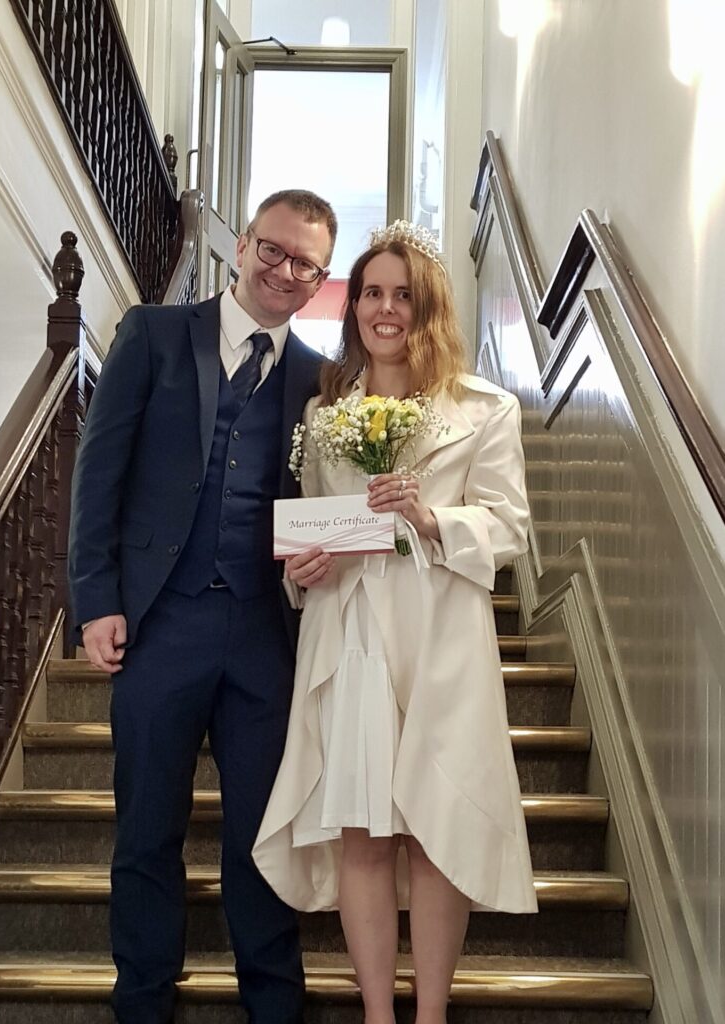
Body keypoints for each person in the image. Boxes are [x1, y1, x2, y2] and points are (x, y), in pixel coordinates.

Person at [253, 221, 537, 1024]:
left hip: (440, 634)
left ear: (428, 308)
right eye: (372, 293)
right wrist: (303, 570)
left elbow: (508, 528)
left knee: (436, 825)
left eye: (401, 296)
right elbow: (313, 528)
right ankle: (379, 1012)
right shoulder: (325, 409)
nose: (384, 310)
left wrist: (430, 516)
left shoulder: (484, 409)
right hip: (350, 639)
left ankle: (431, 1012)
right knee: (363, 834)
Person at [68, 189, 337, 1024]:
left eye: (307, 264)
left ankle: (274, 1005)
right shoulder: (152, 333)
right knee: (146, 829)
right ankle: (142, 1003)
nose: (285, 272)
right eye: (274, 250)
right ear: (241, 245)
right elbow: (98, 473)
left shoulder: (319, 378)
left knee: (262, 836)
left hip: (264, 631)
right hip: (161, 624)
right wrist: (94, 601)